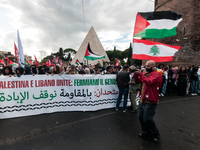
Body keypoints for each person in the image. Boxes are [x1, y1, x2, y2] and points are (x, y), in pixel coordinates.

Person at [134, 60, 162, 143]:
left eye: (148, 66)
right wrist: (136, 75)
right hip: (142, 99)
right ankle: (146, 133)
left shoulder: (157, 74)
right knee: (141, 117)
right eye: (146, 66)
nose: (146, 67)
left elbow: (149, 82)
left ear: (153, 66)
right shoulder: (146, 74)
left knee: (147, 119)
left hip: (151, 100)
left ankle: (155, 133)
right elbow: (138, 81)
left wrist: (141, 74)